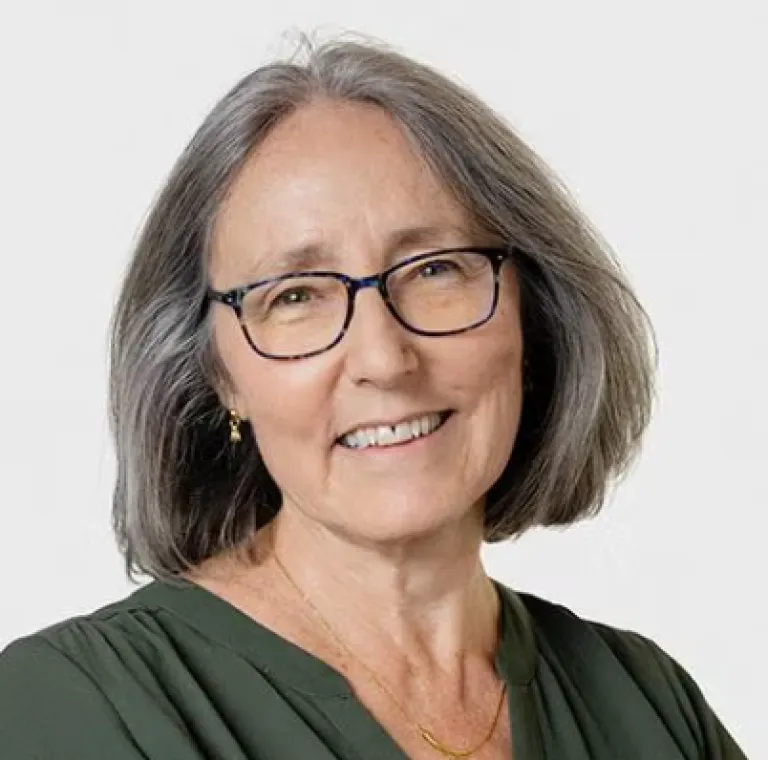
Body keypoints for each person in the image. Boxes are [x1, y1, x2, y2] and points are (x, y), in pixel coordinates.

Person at [0, 37, 747, 760]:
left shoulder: (647, 704)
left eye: (434, 270)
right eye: (295, 296)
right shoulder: (70, 708)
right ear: (219, 374)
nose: (385, 359)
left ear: (534, 315)